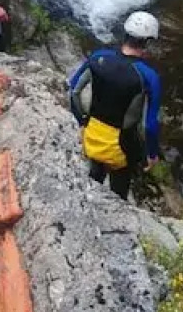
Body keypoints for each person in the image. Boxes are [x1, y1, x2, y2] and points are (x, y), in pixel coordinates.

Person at [67, 11, 163, 200]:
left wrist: (82, 121)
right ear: (148, 42)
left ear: (125, 34)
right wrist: (152, 154)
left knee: (95, 175)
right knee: (119, 190)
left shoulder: (99, 57)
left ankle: (90, 197)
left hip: (92, 136)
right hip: (122, 147)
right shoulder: (149, 76)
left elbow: (74, 90)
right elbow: (149, 125)